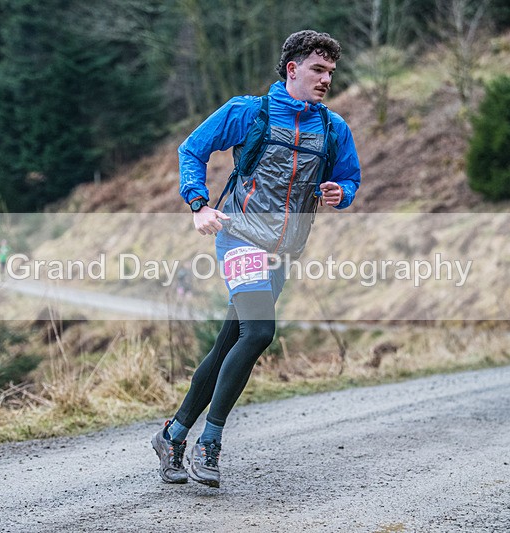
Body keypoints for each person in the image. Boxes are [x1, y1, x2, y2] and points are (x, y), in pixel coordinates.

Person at [151, 30, 361, 488]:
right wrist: (199, 203)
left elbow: (349, 178)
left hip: (283, 251)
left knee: (231, 342)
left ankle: (173, 435)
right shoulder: (249, 112)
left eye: (330, 72)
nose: (326, 79)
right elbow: (192, 149)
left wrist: (338, 192)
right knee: (260, 331)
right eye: (317, 70)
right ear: (292, 69)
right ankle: (211, 443)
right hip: (241, 236)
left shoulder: (332, 128)